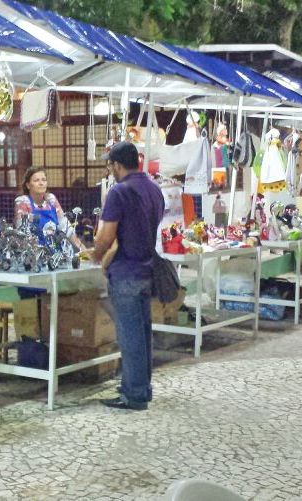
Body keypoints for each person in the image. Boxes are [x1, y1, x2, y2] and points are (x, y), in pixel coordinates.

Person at [92, 142, 164, 411]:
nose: (109, 170)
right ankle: (142, 388)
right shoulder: (154, 190)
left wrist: (96, 255)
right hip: (147, 268)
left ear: (117, 166)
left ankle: (133, 394)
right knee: (143, 333)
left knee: (130, 336)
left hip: (126, 272)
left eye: (110, 165)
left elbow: (107, 236)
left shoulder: (119, 192)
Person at [14, 166, 85, 299]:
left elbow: (65, 226)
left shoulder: (51, 200)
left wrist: (82, 248)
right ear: (28, 185)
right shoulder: (23, 202)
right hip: (33, 257)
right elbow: (22, 231)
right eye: (36, 180)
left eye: (44, 180)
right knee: (32, 302)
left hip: (53, 258)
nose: (41, 183)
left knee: (50, 303)